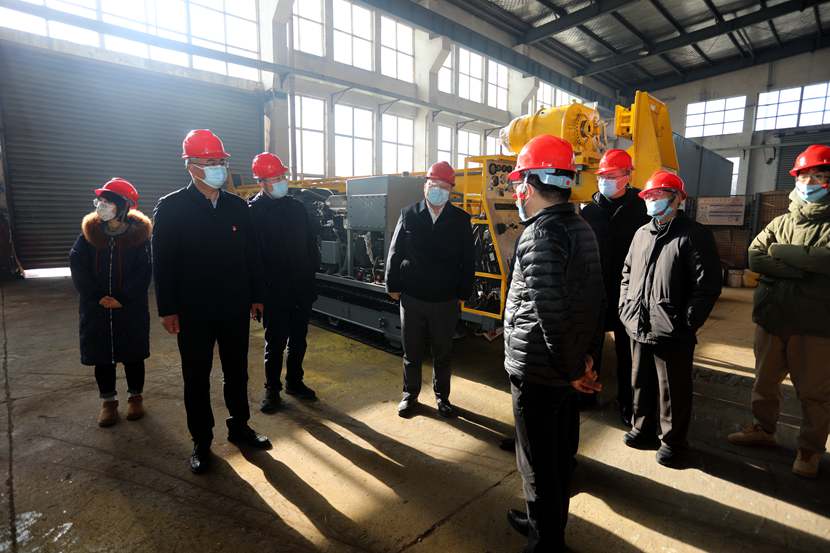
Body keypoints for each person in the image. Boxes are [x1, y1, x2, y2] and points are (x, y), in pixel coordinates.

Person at [502, 135, 605, 552]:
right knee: (558, 456)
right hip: (562, 367)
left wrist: (573, 369)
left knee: (538, 464)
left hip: (540, 372)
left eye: (517, 183)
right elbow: (592, 302)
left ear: (529, 184)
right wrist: (584, 361)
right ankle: (540, 522)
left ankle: (545, 543)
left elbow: (552, 313)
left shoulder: (539, 235)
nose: (516, 193)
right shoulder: (581, 226)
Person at [152, 129, 271, 475]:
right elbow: (163, 263)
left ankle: (240, 426)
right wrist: (167, 308)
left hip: (233, 305)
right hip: (193, 310)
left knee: (237, 371)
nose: (218, 167)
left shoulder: (237, 206)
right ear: (190, 166)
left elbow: (252, 255)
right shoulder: (172, 208)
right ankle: (201, 441)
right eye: (210, 161)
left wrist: (257, 295)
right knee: (196, 376)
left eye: (221, 161)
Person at [728, 144, 830, 479]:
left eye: (819, 176)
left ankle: (810, 449)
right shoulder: (781, 220)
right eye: (804, 176)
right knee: (764, 382)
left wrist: (780, 254)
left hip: (814, 326)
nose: (809, 182)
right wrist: (802, 269)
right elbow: (755, 256)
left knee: (814, 393)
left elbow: (826, 260)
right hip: (771, 319)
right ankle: (763, 429)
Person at [619, 170, 721, 467]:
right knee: (640, 381)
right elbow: (627, 273)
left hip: (672, 329)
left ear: (677, 199)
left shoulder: (694, 235)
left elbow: (707, 285)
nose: (652, 200)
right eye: (649, 195)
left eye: (659, 195)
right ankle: (643, 429)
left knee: (672, 389)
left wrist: (687, 321)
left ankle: (673, 443)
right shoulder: (641, 233)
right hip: (638, 322)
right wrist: (626, 308)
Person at [385, 161, 474, 418]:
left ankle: (442, 397)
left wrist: (463, 293)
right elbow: (395, 251)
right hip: (412, 297)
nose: (438, 191)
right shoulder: (409, 214)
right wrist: (393, 285)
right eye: (434, 185)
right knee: (412, 352)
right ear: (425, 186)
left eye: (444, 187)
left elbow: (468, 260)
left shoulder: (460, 220)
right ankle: (410, 395)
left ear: (451, 190)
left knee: (442, 353)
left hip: (445, 300)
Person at [70, 178, 151, 427]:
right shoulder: (89, 235)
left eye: (107, 202)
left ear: (123, 206)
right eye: (99, 201)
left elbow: (144, 271)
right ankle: (109, 402)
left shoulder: (138, 238)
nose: (100, 206)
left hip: (130, 308)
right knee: (102, 356)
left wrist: (123, 298)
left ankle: (135, 398)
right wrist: (96, 296)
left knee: (133, 355)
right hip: (97, 308)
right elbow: (78, 266)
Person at [581, 149, 650, 423]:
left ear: (627, 176)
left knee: (628, 354)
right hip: (595, 292)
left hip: (629, 293)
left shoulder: (642, 210)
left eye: (612, 175)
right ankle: (586, 395)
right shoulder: (589, 212)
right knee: (590, 349)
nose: (605, 181)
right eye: (603, 176)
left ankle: (627, 403)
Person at [248, 152, 320, 413]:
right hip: (273, 291)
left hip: (300, 287)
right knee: (275, 343)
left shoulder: (296, 207)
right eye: (274, 178)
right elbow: (250, 257)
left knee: (299, 339)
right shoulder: (252, 213)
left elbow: (310, 243)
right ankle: (272, 390)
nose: (281, 182)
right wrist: (255, 296)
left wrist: (311, 274)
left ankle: (294, 382)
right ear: (261, 182)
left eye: (282, 176)